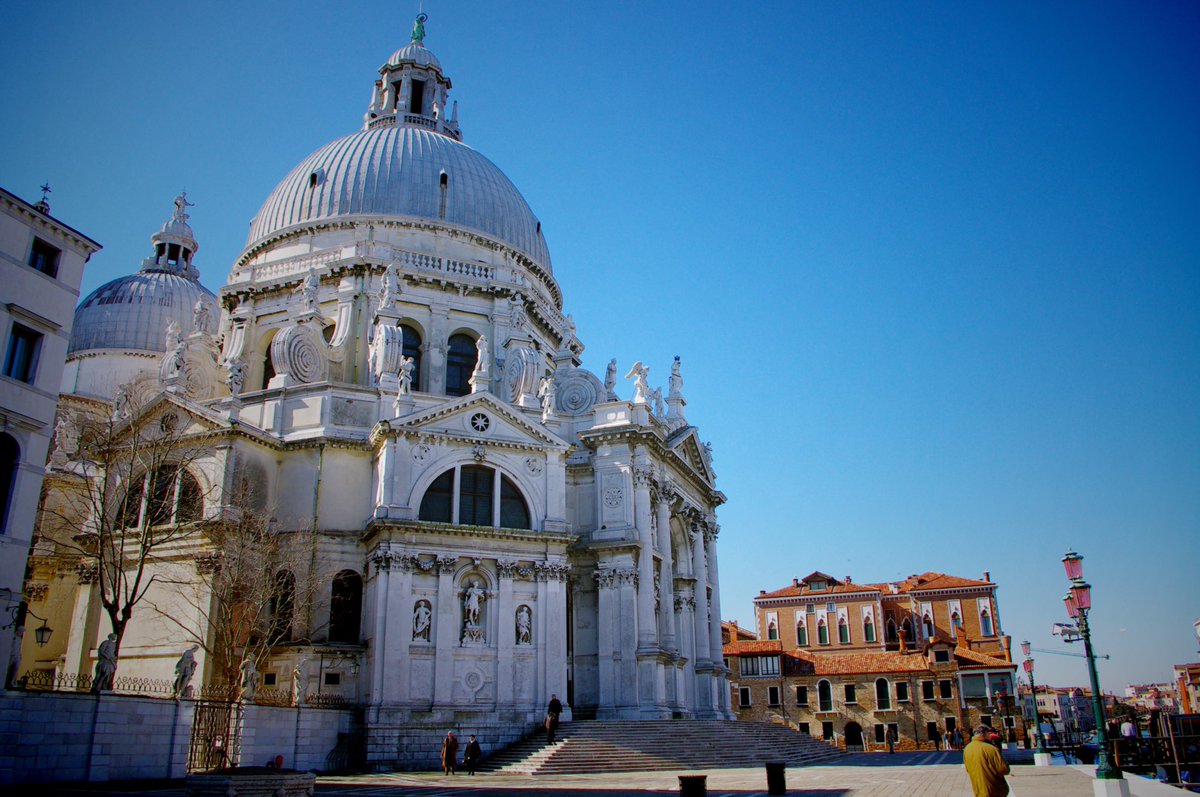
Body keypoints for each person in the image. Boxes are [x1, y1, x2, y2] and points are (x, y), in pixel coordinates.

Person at [964, 724, 1010, 797]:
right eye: (988, 734)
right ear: (984, 734)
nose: (990, 736)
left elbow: (967, 769)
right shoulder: (991, 749)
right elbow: (1003, 769)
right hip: (994, 790)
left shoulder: (967, 749)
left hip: (978, 789)